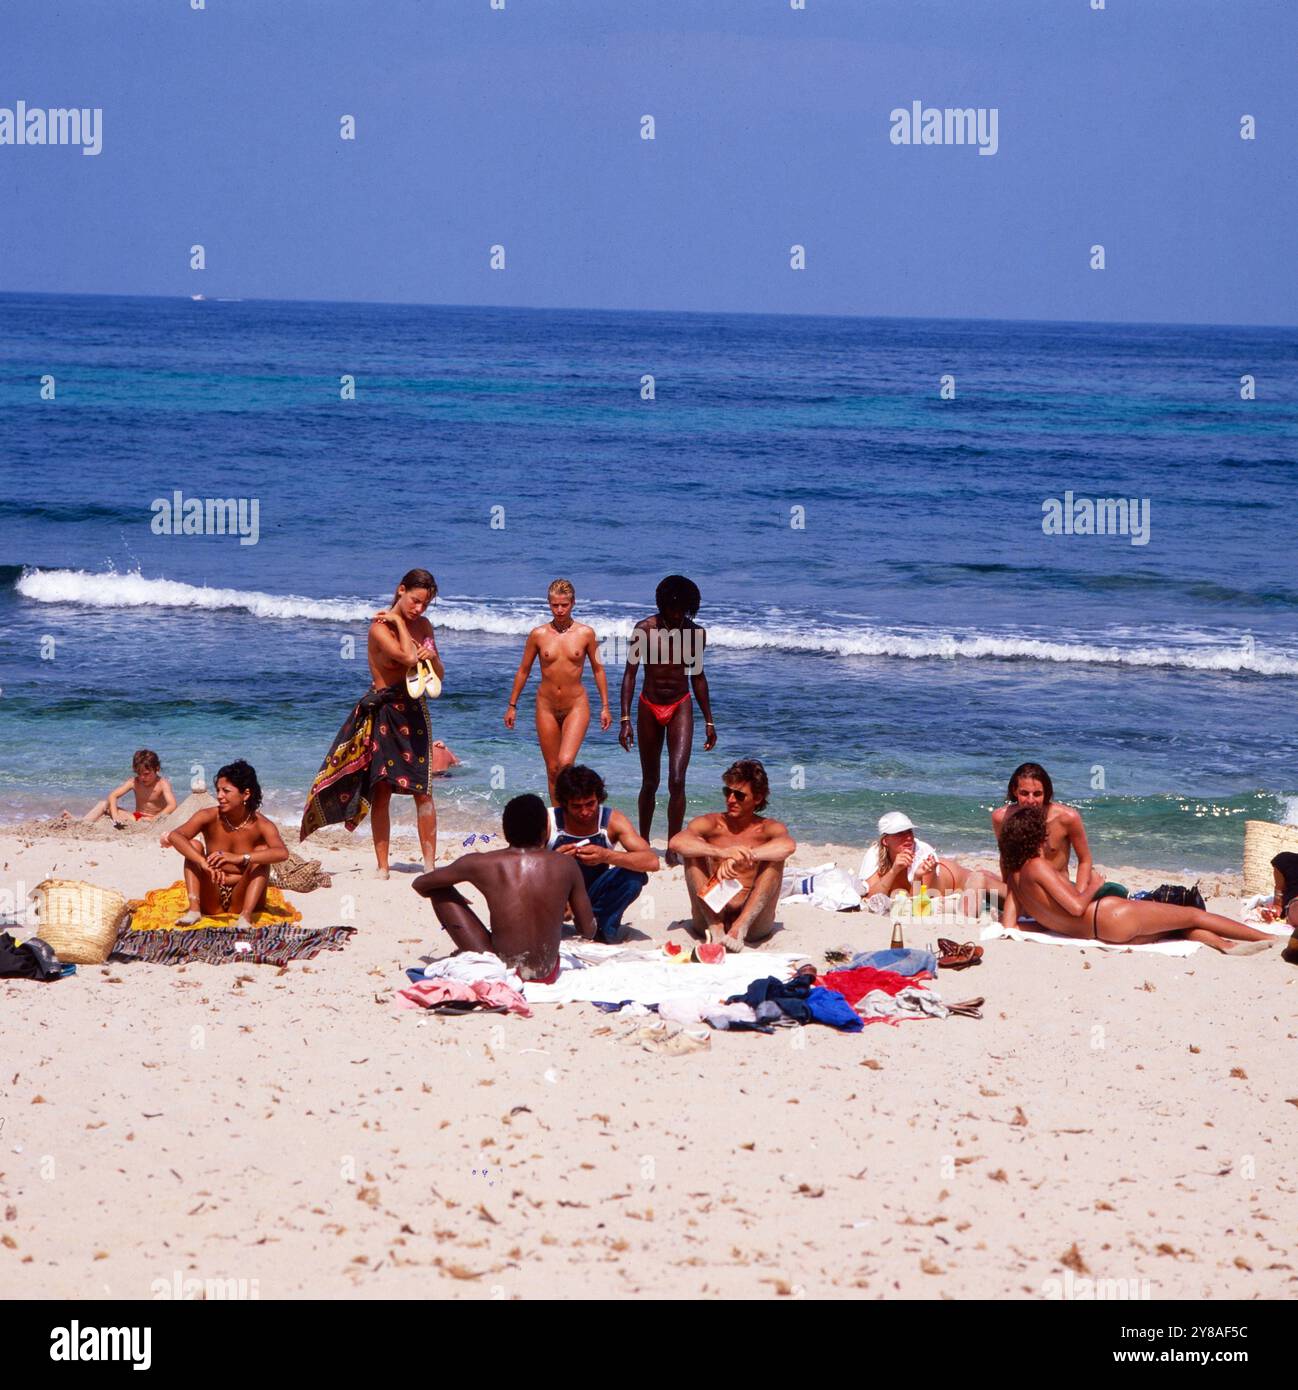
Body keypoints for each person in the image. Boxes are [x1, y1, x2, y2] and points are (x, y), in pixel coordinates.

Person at [300, 568, 444, 877]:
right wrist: (398, 623)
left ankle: (430, 866)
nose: (419, 609)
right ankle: (382, 866)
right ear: (401, 590)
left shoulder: (425, 625)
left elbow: (438, 677)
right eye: (415, 601)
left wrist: (431, 656)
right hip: (385, 710)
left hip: (414, 710)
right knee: (382, 790)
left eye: (425, 605)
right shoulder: (380, 628)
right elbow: (406, 658)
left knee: (424, 790)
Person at [999, 804, 1274, 955]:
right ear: (1035, 835)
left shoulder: (1016, 874)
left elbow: (1011, 925)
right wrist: (1094, 885)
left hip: (1104, 933)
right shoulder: (1038, 866)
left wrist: (1050, 927)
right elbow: (1075, 907)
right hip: (1111, 915)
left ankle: (1224, 944)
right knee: (1191, 914)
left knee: (1177, 928)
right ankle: (1268, 938)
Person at [413, 793, 596, 983]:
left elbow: (420, 884)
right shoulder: (566, 864)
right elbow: (588, 930)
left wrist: (453, 893)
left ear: (505, 830)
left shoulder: (481, 863)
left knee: (439, 889)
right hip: (546, 974)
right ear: (544, 831)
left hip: (499, 968)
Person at [619, 574, 716, 865]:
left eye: (682, 611)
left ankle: (674, 845)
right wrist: (625, 719)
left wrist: (710, 721)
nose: (676, 616)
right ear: (662, 606)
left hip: (680, 706)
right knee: (650, 781)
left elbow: (697, 677)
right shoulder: (644, 630)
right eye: (672, 610)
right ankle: (644, 842)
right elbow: (630, 675)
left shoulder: (695, 634)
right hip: (649, 706)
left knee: (677, 779)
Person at [669, 759, 796, 951]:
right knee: (692, 853)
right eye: (727, 792)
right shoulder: (713, 823)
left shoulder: (767, 828)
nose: (731, 800)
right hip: (710, 913)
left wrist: (744, 855)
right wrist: (721, 852)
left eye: (739, 795)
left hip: (753, 921)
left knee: (775, 860)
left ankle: (739, 927)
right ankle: (717, 926)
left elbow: (788, 846)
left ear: (758, 798)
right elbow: (676, 842)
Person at [504, 579, 611, 800]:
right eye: (555, 605)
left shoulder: (586, 634)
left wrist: (605, 706)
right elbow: (523, 670)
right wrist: (512, 705)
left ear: (573, 603)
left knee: (565, 763)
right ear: (549, 604)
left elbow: (598, 670)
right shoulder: (538, 635)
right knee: (553, 770)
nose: (560, 610)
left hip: (576, 706)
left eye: (564, 605)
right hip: (546, 707)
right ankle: (558, 822)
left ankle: (571, 815)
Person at [164, 760, 289, 926]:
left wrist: (240, 858)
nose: (219, 796)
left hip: (243, 896)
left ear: (245, 794)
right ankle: (194, 910)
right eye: (218, 790)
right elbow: (175, 836)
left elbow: (282, 853)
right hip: (212, 893)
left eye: (226, 791)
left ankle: (245, 917)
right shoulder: (209, 816)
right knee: (194, 846)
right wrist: (202, 862)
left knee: (262, 852)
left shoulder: (261, 824)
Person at [548, 764, 659, 943]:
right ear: (564, 804)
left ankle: (601, 926)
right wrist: (552, 861)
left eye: (590, 804)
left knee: (634, 875)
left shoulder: (611, 821)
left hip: (591, 897)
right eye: (576, 806)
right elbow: (519, 863)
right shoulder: (549, 822)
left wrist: (606, 856)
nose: (585, 812)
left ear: (599, 798)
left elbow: (652, 861)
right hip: (553, 896)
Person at [991, 762, 1107, 927]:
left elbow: (1085, 860)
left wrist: (1079, 893)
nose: (1031, 800)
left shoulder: (1067, 817)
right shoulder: (1002, 818)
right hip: (1025, 892)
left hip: (1061, 891)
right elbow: (1006, 858)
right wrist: (1011, 893)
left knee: (1114, 894)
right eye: (1024, 793)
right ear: (1014, 791)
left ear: (1047, 793)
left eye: (1037, 794)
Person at [860, 810, 1004, 915]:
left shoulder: (923, 853)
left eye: (909, 832)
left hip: (954, 878)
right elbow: (871, 897)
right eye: (900, 834)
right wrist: (894, 871)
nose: (908, 838)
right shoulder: (875, 854)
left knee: (989, 883)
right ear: (885, 841)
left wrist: (917, 877)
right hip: (944, 876)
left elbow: (918, 903)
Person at [74, 749, 177, 826]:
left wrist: (154, 819)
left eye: (146, 774)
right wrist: (115, 815)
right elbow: (113, 796)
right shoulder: (134, 782)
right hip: (135, 817)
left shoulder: (162, 783)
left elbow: (172, 805)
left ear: (157, 768)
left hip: (154, 819)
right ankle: (81, 823)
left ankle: (79, 821)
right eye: (139, 773)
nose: (142, 777)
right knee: (103, 804)